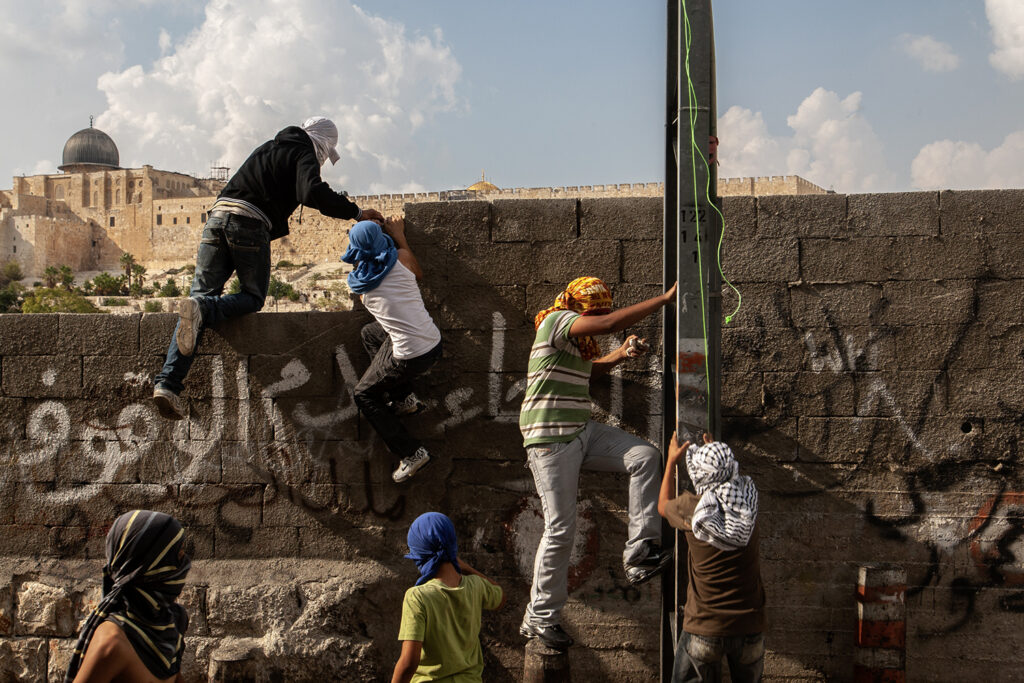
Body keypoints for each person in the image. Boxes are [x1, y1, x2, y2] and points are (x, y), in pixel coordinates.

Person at [152, 116, 385, 420]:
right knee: (252, 297)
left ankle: (167, 384)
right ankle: (203, 309)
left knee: (198, 301)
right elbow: (311, 191)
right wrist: (356, 212)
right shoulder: (304, 149)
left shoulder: (269, 147)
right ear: (323, 144)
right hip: (248, 224)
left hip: (216, 218)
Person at [519, 276, 677, 650]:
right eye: (594, 312)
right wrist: (664, 299)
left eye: (602, 311)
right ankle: (538, 618)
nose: (597, 318)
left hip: (581, 431)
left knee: (644, 456)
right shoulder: (555, 321)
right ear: (578, 307)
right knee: (560, 528)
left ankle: (639, 554)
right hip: (550, 439)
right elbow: (608, 324)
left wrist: (620, 354)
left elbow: (589, 373)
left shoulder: (575, 345)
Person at [658, 432, 766, 683]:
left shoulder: (691, 508)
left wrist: (671, 461)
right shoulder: (747, 502)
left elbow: (662, 505)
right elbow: (730, 481)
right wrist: (718, 455)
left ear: (700, 476)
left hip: (704, 626)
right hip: (750, 625)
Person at [345, 216, 442, 483]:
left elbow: (365, 267)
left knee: (363, 395)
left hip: (410, 357)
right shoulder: (402, 259)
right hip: (433, 342)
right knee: (370, 333)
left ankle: (412, 453)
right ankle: (404, 399)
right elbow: (417, 273)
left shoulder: (362, 289)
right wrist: (399, 235)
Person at [65, 510, 191, 683]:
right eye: (178, 555)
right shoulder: (112, 642)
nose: (185, 564)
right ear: (151, 564)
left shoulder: (172, 622)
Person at [391, 512, 505, 683]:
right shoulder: (476, 585)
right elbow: (500, 596)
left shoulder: (417, 597)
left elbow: (409, 662)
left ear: (420, 555)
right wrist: (467, 568)